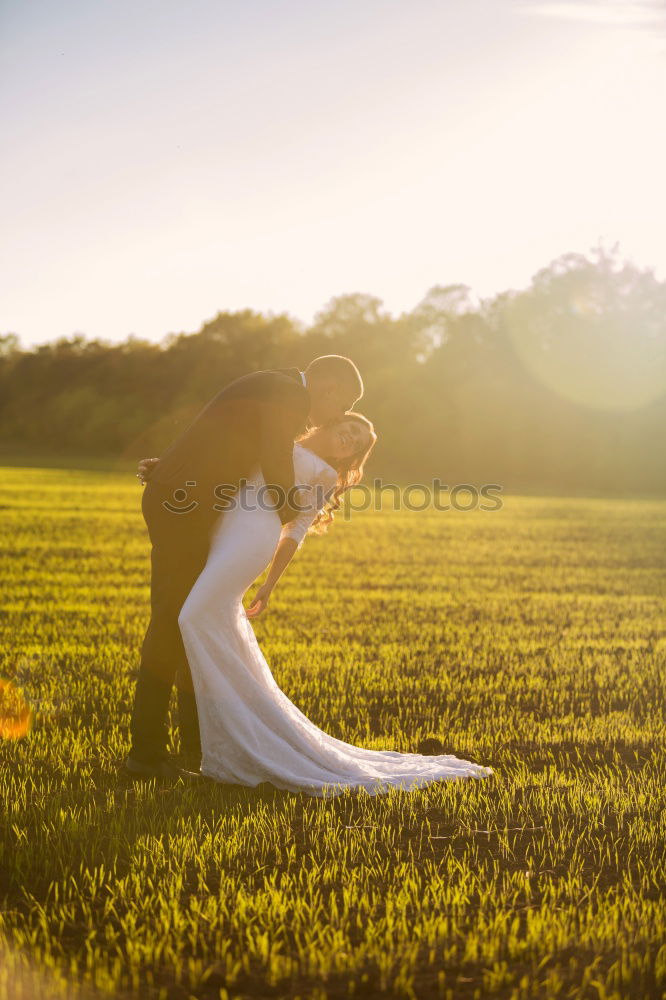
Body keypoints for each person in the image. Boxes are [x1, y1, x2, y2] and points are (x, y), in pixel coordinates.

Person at [141, 410, 492, 795]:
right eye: (352, 430)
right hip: (221, 530)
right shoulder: (278, 442)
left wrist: (269, 584)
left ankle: (233, 735)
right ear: (332, 423)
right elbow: (226, 469)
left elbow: (298, 528)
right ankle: (205, 741)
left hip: (251, 540)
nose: (352, 439)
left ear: (349, 458)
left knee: (192, 617)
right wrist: (168, 472)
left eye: (358, 443)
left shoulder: (324, 474)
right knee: (202, 623)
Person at [125, 356, 363, 780]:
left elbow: (220, 439)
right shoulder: (287, 392)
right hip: (185, 508)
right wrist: (291, 512)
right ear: (329, 389)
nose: (338, 414)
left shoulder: (278, 386)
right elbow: (272, 460)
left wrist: (174, 469)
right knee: (172, 623)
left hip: (192, 502)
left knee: (187, 623)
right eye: (342, 404)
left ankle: (192, 745)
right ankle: (145, 756)